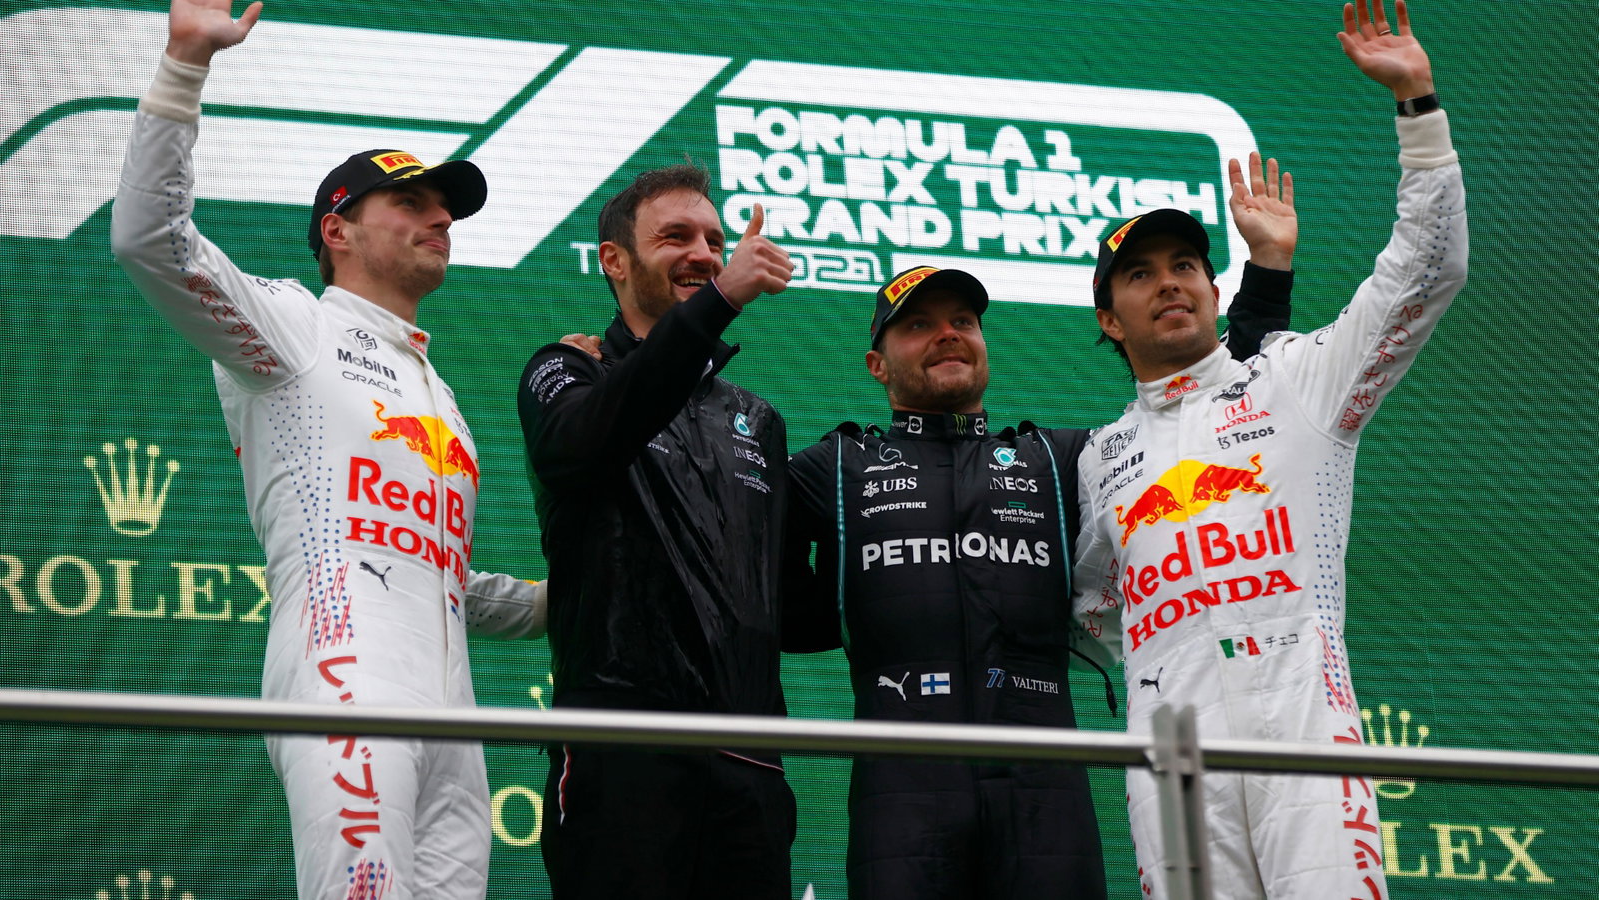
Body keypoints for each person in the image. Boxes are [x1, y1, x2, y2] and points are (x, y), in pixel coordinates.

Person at [110, 1, 548, 897]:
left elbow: (432, 577)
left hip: (453, 723)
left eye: (445, 209)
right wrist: (185, 63)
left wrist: (551, 602)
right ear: (337, 229)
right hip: (345, 681)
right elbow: (151, 240)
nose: (439, 219)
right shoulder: (296, 327)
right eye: (411, 203)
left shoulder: (442, 396)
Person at [781, 162, 1298, 896]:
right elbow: (721, 534)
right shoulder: (835, 467)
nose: (947, 336)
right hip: (902, 784)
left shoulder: (1062, 461)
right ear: (877, 364)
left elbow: (1220, 406)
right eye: (919, 326)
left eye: (962, 321)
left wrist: (1268, 276)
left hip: (1043, 785)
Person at [1071, 2, 1465, 897]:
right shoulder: (1101, 458)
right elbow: (1089, 606)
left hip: (1302, 720)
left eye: (1184, 266)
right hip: (1167, 745)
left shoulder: (1297, 383)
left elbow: (1427, 270)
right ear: (1108, 317)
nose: (1168, 282)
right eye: (1139, 273)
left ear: (1215, 289)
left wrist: (1417, 105)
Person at [516, 165, 796, 899]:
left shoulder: (757, 419)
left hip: (752, 764)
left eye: (714, 240)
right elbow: (582, 448)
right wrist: (722, 298)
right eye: (675, 237)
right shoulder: (568, 370)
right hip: (624, 754)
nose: (704, 254)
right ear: (614, 260)